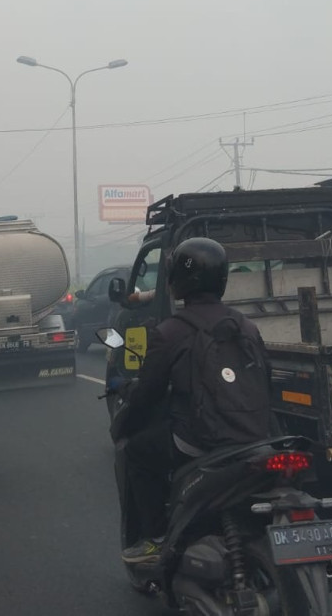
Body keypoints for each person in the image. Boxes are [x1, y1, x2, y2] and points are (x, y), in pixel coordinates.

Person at [112, 237, 273, 565]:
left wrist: (126, 416)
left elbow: (147, 394)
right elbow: (264, 380)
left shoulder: (171, 332)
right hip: (257, 438)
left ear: (178, 280)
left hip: (199, 441)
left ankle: (156, 537)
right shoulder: (248, 327)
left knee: (137, 453)